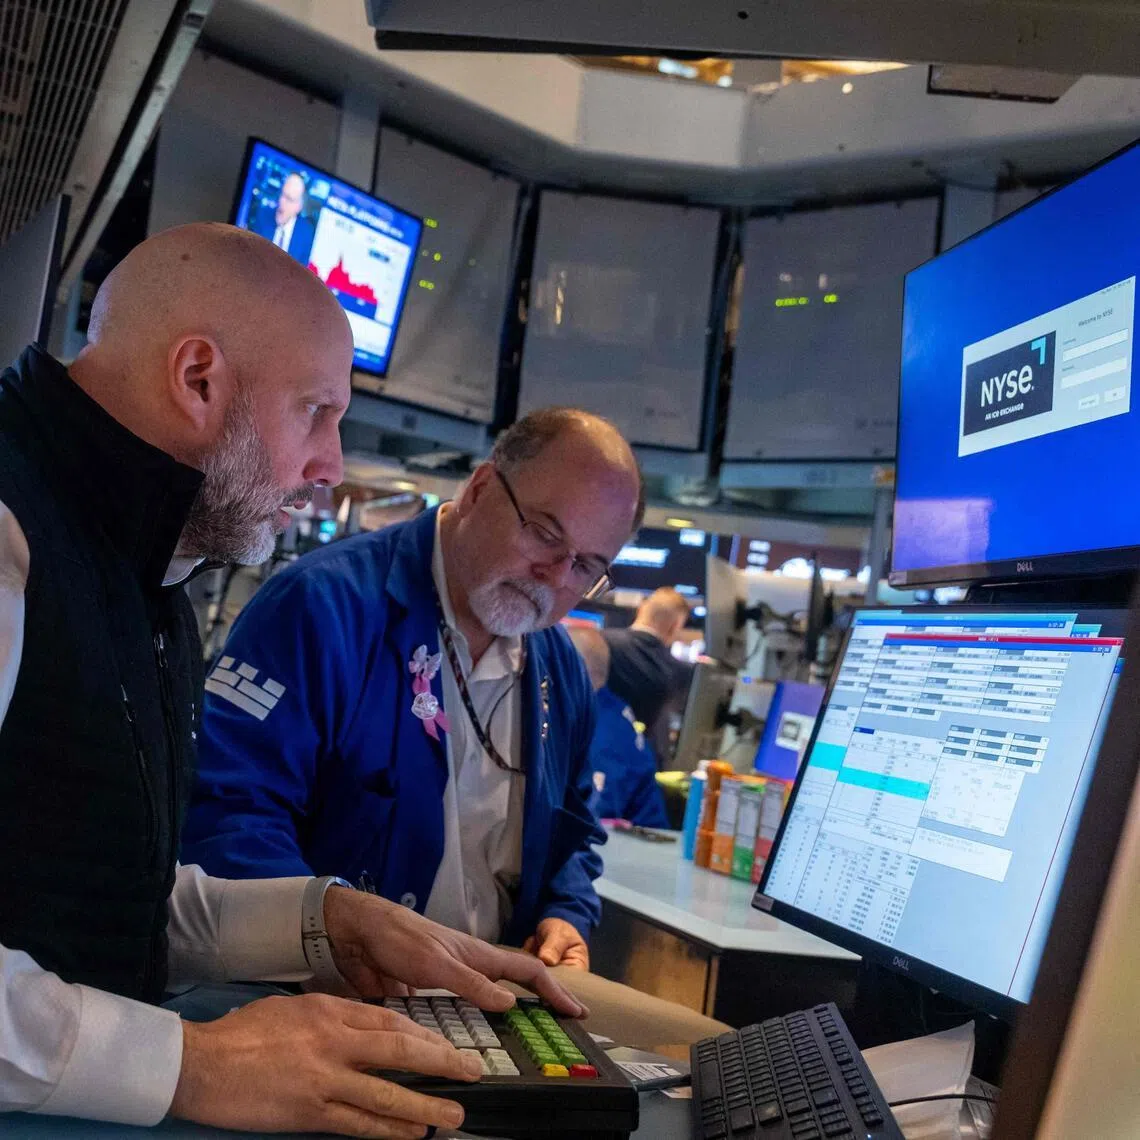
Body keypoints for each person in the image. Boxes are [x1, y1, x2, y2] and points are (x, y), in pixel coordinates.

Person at [0, 222, 584, 1137]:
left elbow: (89, 895)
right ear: (198, 380)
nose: (331, 466)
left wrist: (326, 918)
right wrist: (191, 1064)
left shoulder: (145, 569)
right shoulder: (11, 531)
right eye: (316, 411)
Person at [183, 408, 645, 972]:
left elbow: (572, 828)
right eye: (545, 534)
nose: (556, 576)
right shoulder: (321, 606)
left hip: (492, 998)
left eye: (587, 567)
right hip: (321, 993)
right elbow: (227, 816)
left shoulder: (560, 670)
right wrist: (329, 933)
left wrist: (565, 912)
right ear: (479, 489)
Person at [568, 627, 669, 828]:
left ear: (570, 668)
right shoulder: (612, 710)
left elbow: (589, 822)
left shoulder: (599, 734)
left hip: (623, 851)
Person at [603, 586, 692, 760]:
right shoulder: (678, 671)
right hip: (640, 765)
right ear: (675, 627)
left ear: (641, 609)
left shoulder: (601, 643)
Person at [249, 171, 317, 264]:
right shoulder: (262, 217)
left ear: (298, 207)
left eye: (289, 199)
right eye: (282, 194)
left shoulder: (305, 234)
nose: (281, 201)